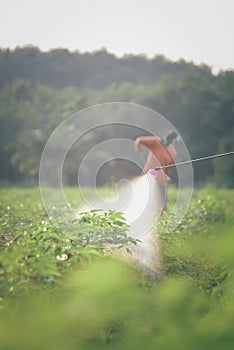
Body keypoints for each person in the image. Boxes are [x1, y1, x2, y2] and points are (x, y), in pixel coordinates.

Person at [134, 130, 180, 213]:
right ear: (172, 141)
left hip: (161, 181)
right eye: (175, 142)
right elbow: (139, 140)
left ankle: (162, 219)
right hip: (148, 176)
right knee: (144, 203)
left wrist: (166, 178)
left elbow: (166, 169)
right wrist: (138, 149)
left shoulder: (172, 153)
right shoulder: (156, 142)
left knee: (162, 206)